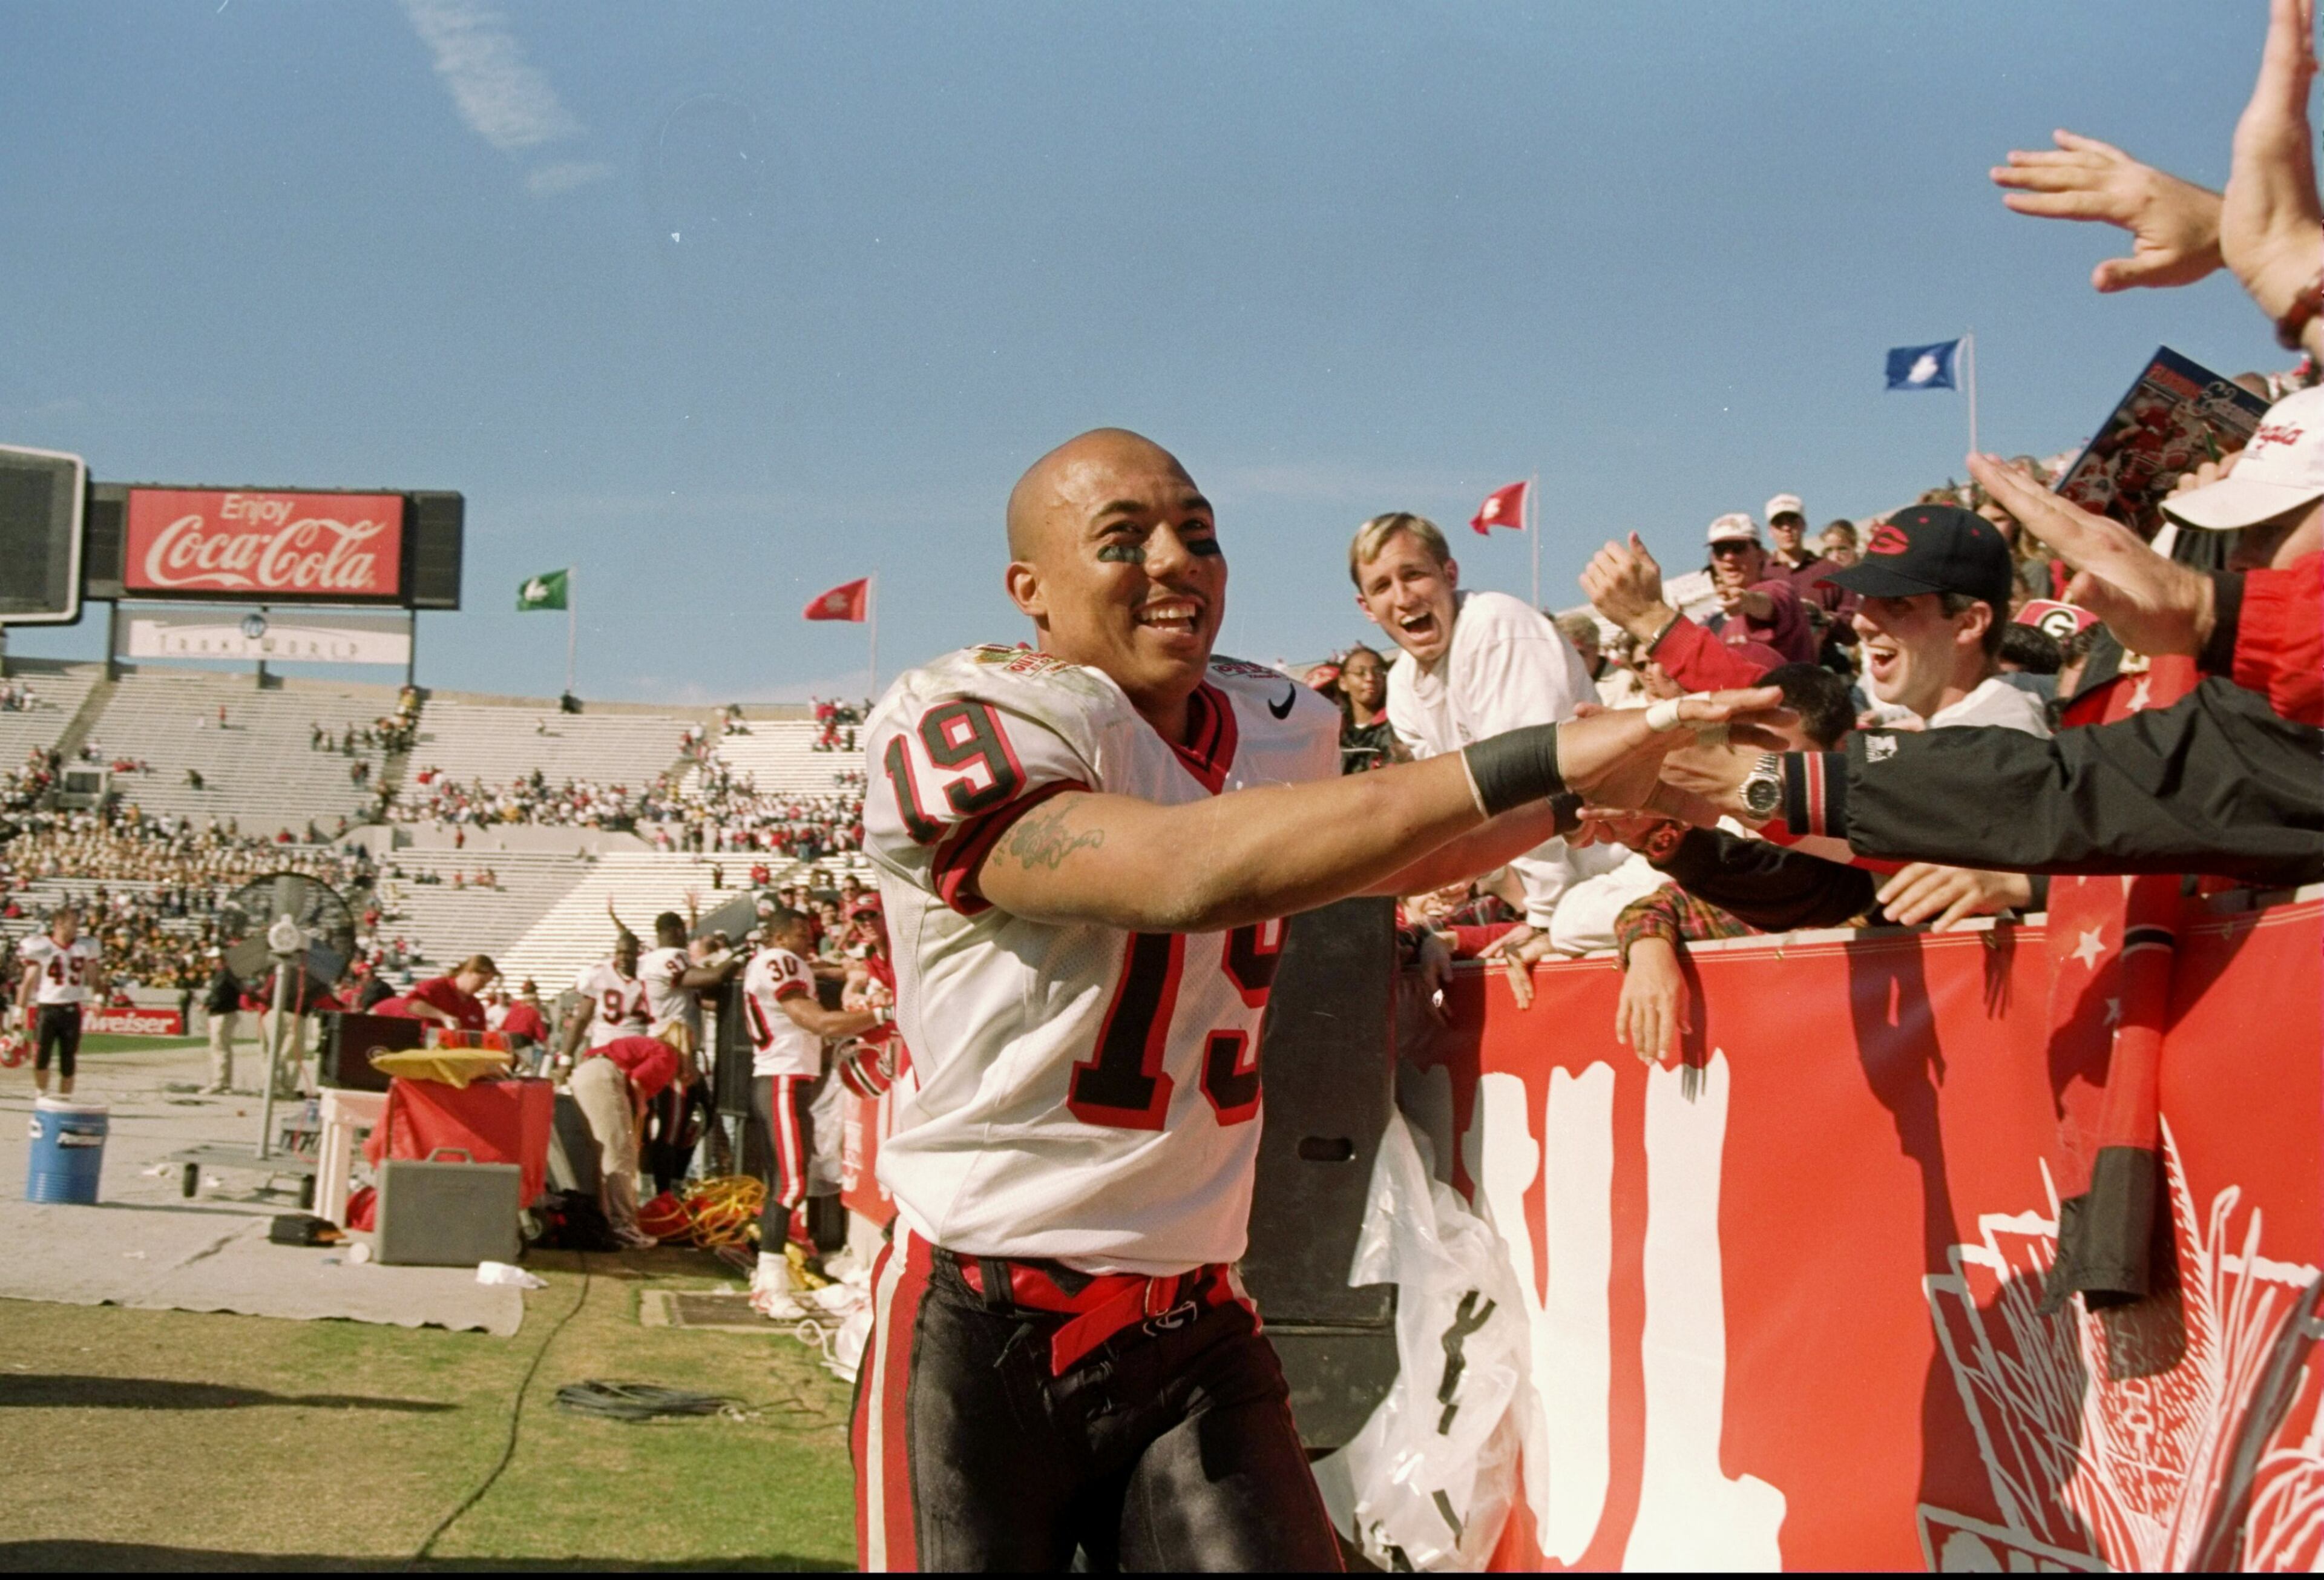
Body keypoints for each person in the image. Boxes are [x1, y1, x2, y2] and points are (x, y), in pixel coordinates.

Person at [853, 428, 1781, 1571]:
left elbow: (1379, 857)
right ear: (1030, 591)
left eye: (1198, 533)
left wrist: (1595, 799)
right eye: (1122, 540)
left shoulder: (1275, 723)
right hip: (981, 1319)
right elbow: (1181, 871)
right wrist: (1544, 756)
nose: (1174, 561)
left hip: (1193, 1319)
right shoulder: (971, 714)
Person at [1351, 512, 1621, 961]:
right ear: (1365, 607)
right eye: (1382, 587)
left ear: (1449, 574)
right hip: (1548, 886)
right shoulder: (1401, 686)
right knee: (1422, 941)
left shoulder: (1496, 627)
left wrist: (1544, 921)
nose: (1402, 598)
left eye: (1414, 575)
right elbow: (1462, 811)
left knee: (1567, 925)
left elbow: (1533, 793)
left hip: (1615, 865)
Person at [741, 907, 883, 1320]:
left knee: (786, 1183)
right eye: (802, 933)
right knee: (790, 1185)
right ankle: (770, 1286)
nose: (810, 939)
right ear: (780, 937)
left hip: (787, 1079)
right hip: (780, 1080)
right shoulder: (777, 961)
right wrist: (881, 1015)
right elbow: (817, 1022)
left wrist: (847, 971)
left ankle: (768, 1279)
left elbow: (824, 970)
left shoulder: (787, 962)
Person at [1831, 504, 2052, 737]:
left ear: (1969, 624)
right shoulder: (1998, 711)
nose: (1860, 622)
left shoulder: (1981, 751)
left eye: (1897, 602)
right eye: (1865, 599)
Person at [569, 1022, 691, 1249]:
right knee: (619, 1153)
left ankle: (607, 1221)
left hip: (587, 1072)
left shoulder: (651, 1046)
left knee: (605, 1154)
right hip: (605, 1076)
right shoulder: (667, 1053)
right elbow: (637, 1081)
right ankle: (622, 1225)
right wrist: (641, 1109)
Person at [15, 907, 102, 1098]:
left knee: (68, 1061)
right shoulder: (42, 947)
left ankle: (64, 1101)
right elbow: (27, 982)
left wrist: (98, 1000)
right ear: (59, 925)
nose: (77, 927)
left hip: (71, 1008)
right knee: (41, 1058)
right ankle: (42, 1095)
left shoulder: (84, 947)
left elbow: (95, 977)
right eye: (73, 923)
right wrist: (17, 1013)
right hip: (47, 1008)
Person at [562, 931, 650, 1065]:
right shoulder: (600, 973)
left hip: (638, 1052)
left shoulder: (649, 975)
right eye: (619, 953)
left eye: (629, 953)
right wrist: (566, 1060)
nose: (623, 958)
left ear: (638, 954)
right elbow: (582, 1019)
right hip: (604, 1050)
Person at [1333, 642, 1402, 772]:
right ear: (1343, 683)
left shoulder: (1399, 725)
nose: (1370, 678)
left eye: (1378, 671)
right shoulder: (1332, 731)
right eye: (1361, 673)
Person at [401, 956, 498, 1035]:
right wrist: (442, 1016)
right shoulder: (436, 987)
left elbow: (480, 1036)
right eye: (481, 981)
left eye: (485, 984)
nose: (482, 987)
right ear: (469, 971)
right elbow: (409, 1004)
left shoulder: (476, 1007)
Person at [201, 952, 240, 1094]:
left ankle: (220, 1082)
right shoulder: (230, 974)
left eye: (214, 959)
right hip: (228, 1013)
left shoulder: (223, 975)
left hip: (221, 1013)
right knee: (224, 1048)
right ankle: (225, 1083)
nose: (212, 962)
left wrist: (207, 1004)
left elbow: (218, 994)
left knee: (219, 1049)